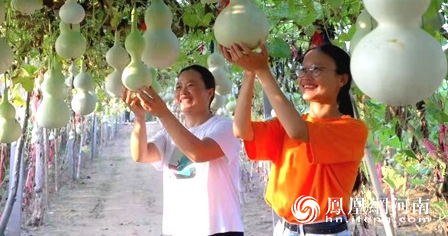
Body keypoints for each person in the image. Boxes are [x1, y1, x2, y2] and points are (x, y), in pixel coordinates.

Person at [220, 42, 367, 236]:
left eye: (316, 70)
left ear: (342, 79)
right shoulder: (288, 124)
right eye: (303, 70)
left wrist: (263, 71)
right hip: (285, 229)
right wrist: (250, 73)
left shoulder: (352, 129)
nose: (306, 77)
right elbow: (241, 130)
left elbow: (298, 132)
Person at [123, 64, 244, 236]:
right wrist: (139, 118)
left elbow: (199, 153)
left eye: (191, 86)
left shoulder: (225, 127)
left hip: (218, 230)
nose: (183, 92)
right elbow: (141, 154)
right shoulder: (168, 134)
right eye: (178, 86)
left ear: (209, 92)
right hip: (177, 230)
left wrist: (163, 113)